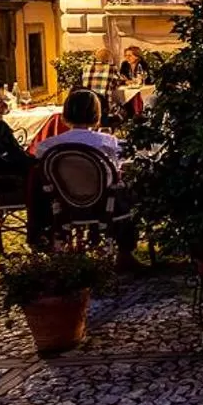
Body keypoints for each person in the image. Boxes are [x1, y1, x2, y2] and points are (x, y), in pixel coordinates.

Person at [31, 88, 142, 270]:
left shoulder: (47, 146)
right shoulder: (108, 142)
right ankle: (125, 252)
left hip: (65, 205)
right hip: (104, 204)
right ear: (96, 115)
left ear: (65, 114)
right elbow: (127, 158)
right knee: (132, 194)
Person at [81, 49, 118, 124]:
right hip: (104, 105)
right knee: (124, 109)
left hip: (87, 104)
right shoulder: (112, 68)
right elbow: (116, 84)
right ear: (109, 58)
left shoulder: (86, 67)